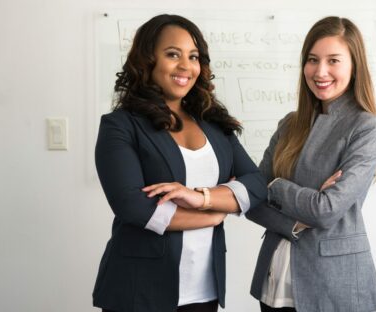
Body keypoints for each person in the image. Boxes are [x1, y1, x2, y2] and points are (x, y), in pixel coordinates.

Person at [92, 14, 267, 312]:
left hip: (204, 292)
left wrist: (202, 199)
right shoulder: (120, 126)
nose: (186, 66)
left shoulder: (214, 125)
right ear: (148, 60)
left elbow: (256, 184)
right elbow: (132, 206)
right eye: (173, 54)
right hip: (139, 291)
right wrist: (211, 216)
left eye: (193, 56)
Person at [246, 16, 376, 312]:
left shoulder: (368, 127)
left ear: (354, 65)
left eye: (333, 60)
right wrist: (294, 222)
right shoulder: (290, 124)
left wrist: (276, 186)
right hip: (275, 277)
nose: (320, 71)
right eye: (312, 60)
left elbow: (326, 210)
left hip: (334, 285)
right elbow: (253, 199)